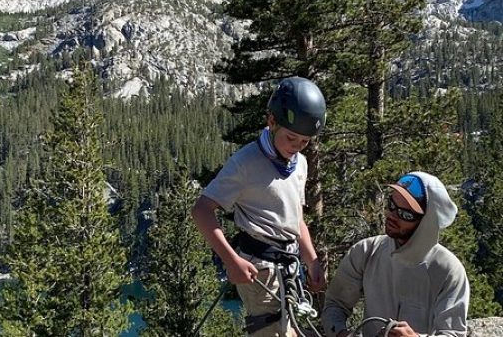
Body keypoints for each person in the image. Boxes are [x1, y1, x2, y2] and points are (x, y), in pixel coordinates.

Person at [192, 76, 327, 337]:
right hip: (260, 269)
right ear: (272, 121)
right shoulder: (245, 163)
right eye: (291, 138)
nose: (297, 147)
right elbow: (202, 210)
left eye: (305, 141)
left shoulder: (299, 163)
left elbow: (295, 218)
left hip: (288, 267)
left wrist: (311, 261)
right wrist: (231, 261)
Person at [322, 172, 469, 337]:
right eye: (391, 205)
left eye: (405, 214)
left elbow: (453, 334)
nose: (391, 215)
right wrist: (341, 334)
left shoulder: (448, 271)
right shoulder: (366, 251)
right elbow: (335, 304)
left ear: (426, 222)